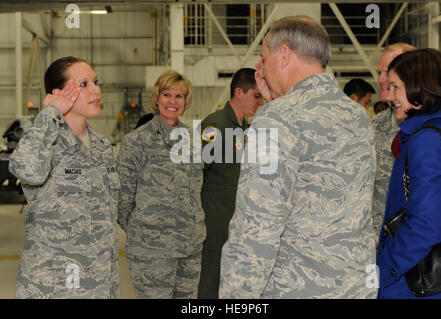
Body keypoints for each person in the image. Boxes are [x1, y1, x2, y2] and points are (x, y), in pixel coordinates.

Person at [219, 15, 377, 299]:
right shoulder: (357, 115)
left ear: (283, 54)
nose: (261, 69)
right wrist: (276, 103)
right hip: (354, 287)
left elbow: (257, 230)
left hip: (297, 288)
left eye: (263, 58)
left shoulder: (275, 120)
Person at [9, 56, 120, 298]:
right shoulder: (43, 141)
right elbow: (28, 170)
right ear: (58, 94)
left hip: (99, 282)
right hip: (54, 284)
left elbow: (107, 222)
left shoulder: (101, 146)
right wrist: (50, 114)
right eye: (84, 84)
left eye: (95, 81)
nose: (96, 90)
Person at [117, 69, 205, 299]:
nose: (173, 102)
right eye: (167, 95)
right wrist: (147, 230)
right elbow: (122, 198)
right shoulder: (136, 141)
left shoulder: (193, 140)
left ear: (186, 102)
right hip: (152, 250)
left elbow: (196, 190)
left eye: (179, 96)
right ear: (156, 99)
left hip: (190, 247)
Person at [377, 48, 441, 299]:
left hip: (414, 284)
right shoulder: (438, 131)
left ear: (419, 88)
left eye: (396, 87)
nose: (391, 95)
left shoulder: (426, 141)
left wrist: (382, 270)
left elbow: (426, 224)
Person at [198, 68, 264, 299]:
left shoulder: (246, 131)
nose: (261, 101)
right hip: (215, 232)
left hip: (239, 231)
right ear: (239, 92)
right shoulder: (214, 128)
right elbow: (194, 178)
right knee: (210, 290)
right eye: (256, 95)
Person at [371, 43, 416, 243]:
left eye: (387, 72)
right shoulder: (377, 124)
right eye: (379, 72)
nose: (381, 80)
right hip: (376, 244)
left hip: (415, 248)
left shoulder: (433, 129)